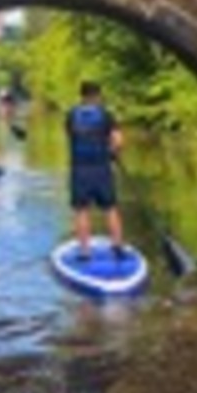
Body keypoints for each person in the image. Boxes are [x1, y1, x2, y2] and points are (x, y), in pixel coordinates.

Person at [65, 80, 126, 259]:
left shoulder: (71, 115)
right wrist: (113, 153)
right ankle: (117, 246)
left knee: (81, 210)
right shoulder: (106, 115)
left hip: (80, 170)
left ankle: (85, 251)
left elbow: (71, 137)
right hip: (101, 168)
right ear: (98, 95)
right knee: (110, 208)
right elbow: (119, 141)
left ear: (81, 96)